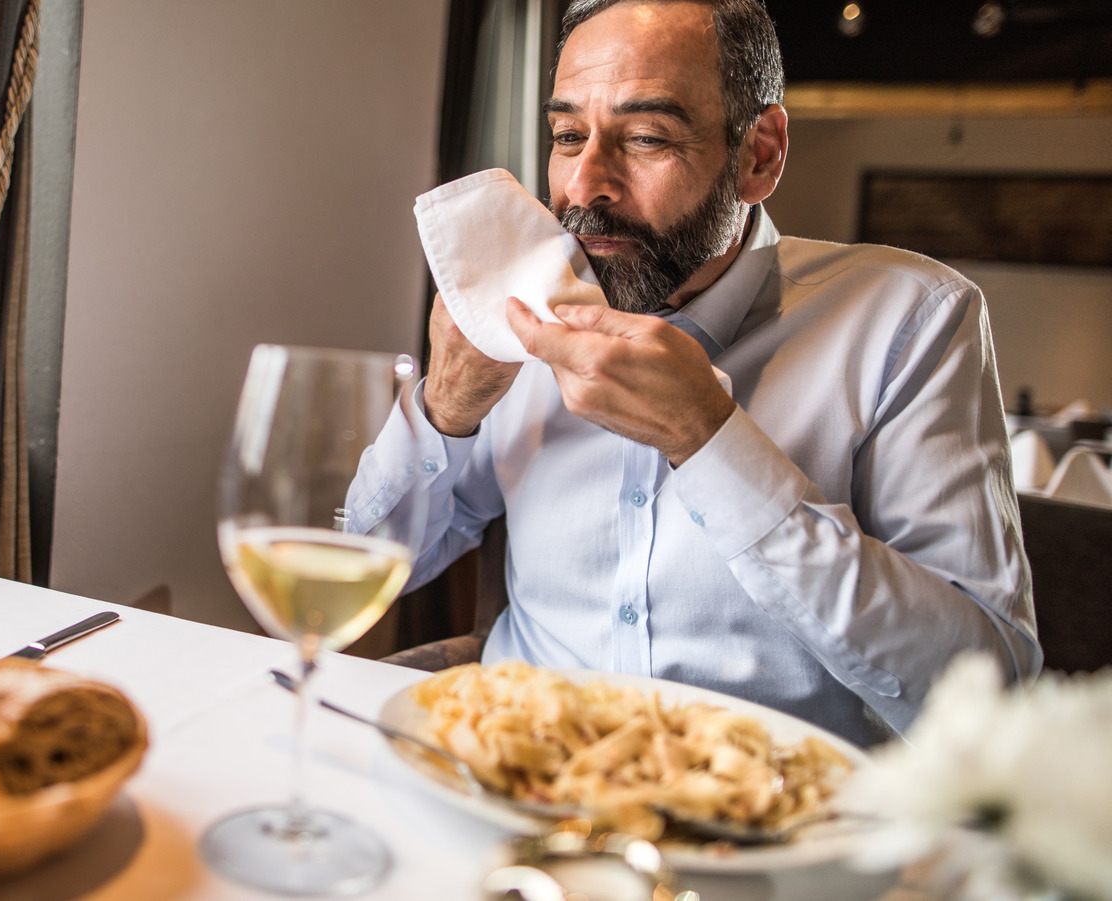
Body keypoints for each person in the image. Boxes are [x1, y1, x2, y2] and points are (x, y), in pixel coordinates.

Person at [352, 0, 1040, 746]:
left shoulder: (910, 319)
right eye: (568, 136)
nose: (584, 186)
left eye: (647, 137)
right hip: (511, 774)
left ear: (760, 155)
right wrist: (446, 410)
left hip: (774, 804)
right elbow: (363, 566)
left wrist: (711, 441)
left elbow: (985, 689)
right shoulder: (524, 314)